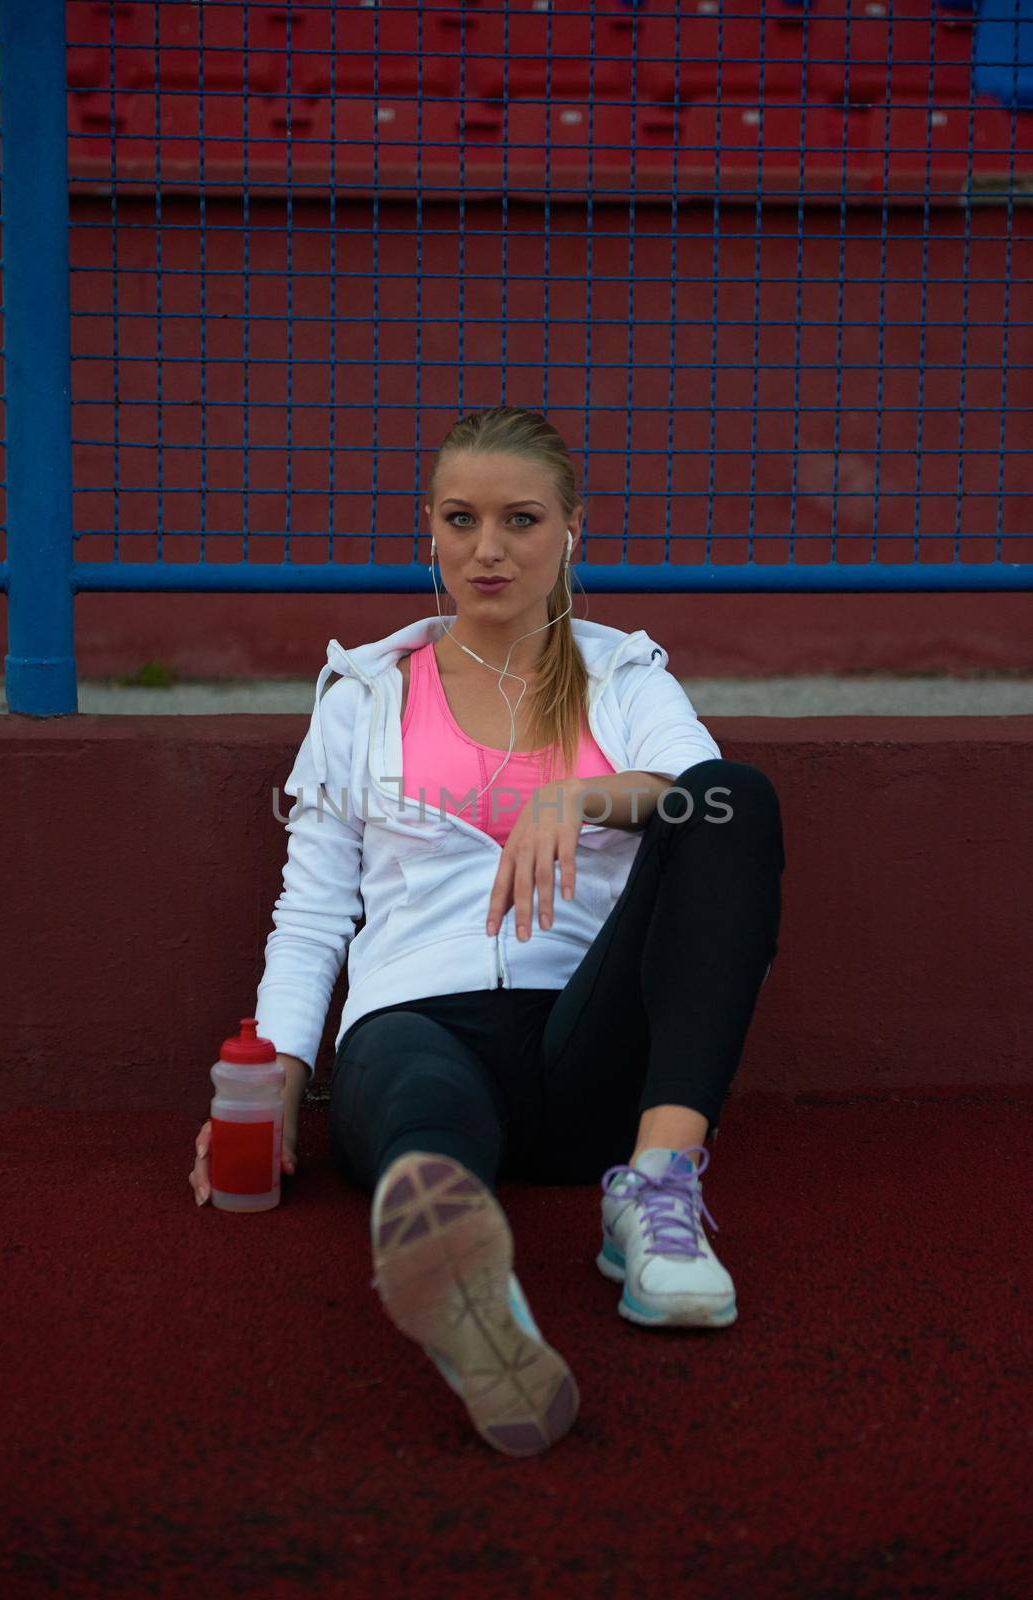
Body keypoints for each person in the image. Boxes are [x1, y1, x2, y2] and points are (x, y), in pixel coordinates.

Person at [189, 404, 785, 1460]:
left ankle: (654, 1191)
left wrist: (585, 799)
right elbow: (314, 905)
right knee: (422, 1111)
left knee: (737, 797)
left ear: (571, 531)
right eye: (461, 519)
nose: (488, 549)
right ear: (428, 530)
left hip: (589, 1043)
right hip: (417, 1024)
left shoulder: (624, 675)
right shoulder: (363, 694)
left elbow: (711, 799)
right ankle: (469, 1282)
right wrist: (277, 1071)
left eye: (520, 520)